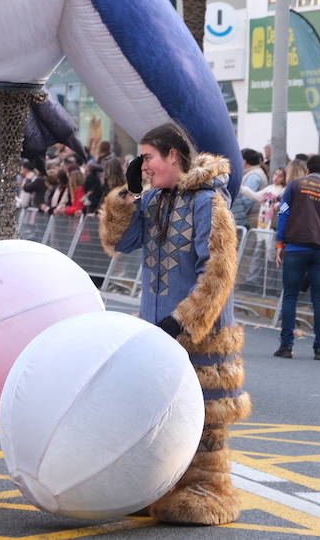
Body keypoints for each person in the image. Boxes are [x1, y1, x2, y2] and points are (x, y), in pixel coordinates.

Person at [100, 122, 248, 526]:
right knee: (158, 413)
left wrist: (184, 321)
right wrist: (126, 195)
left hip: (199, 334)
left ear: (173, 155)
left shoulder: (209, 202)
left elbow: (218, 271)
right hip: (156, 331)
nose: (143, 165)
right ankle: (156, 485)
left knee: (204, 417)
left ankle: (208, 491)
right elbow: (120, 242)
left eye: (148, 157)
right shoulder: (154, 201)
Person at [273, 153, 320, 361]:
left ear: (307, 170)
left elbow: (284, 213)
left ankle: (286, 345)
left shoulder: (295, 186)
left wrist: (280, 242)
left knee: (290, 296)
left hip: (296, 248)